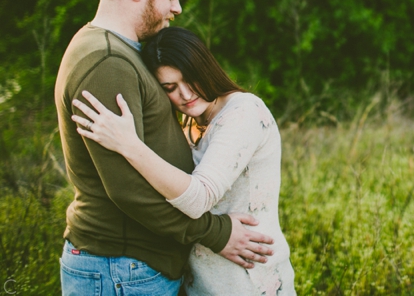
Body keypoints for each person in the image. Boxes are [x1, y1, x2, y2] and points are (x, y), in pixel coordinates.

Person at [54, 0, 273, 295]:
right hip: (120, 268)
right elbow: (128, 191)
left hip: (128, 267)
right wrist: (217, 233)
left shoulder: (116, 51)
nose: (178, 8)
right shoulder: (107, 61)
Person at [70, 27, 296, 295]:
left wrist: (129, 145)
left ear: (205, 67)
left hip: (248, 279)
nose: (186, 94)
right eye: (170, 87)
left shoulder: (243, 113)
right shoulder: (190, 122)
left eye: (191, 79)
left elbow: (199, 198)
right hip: (199, 282)